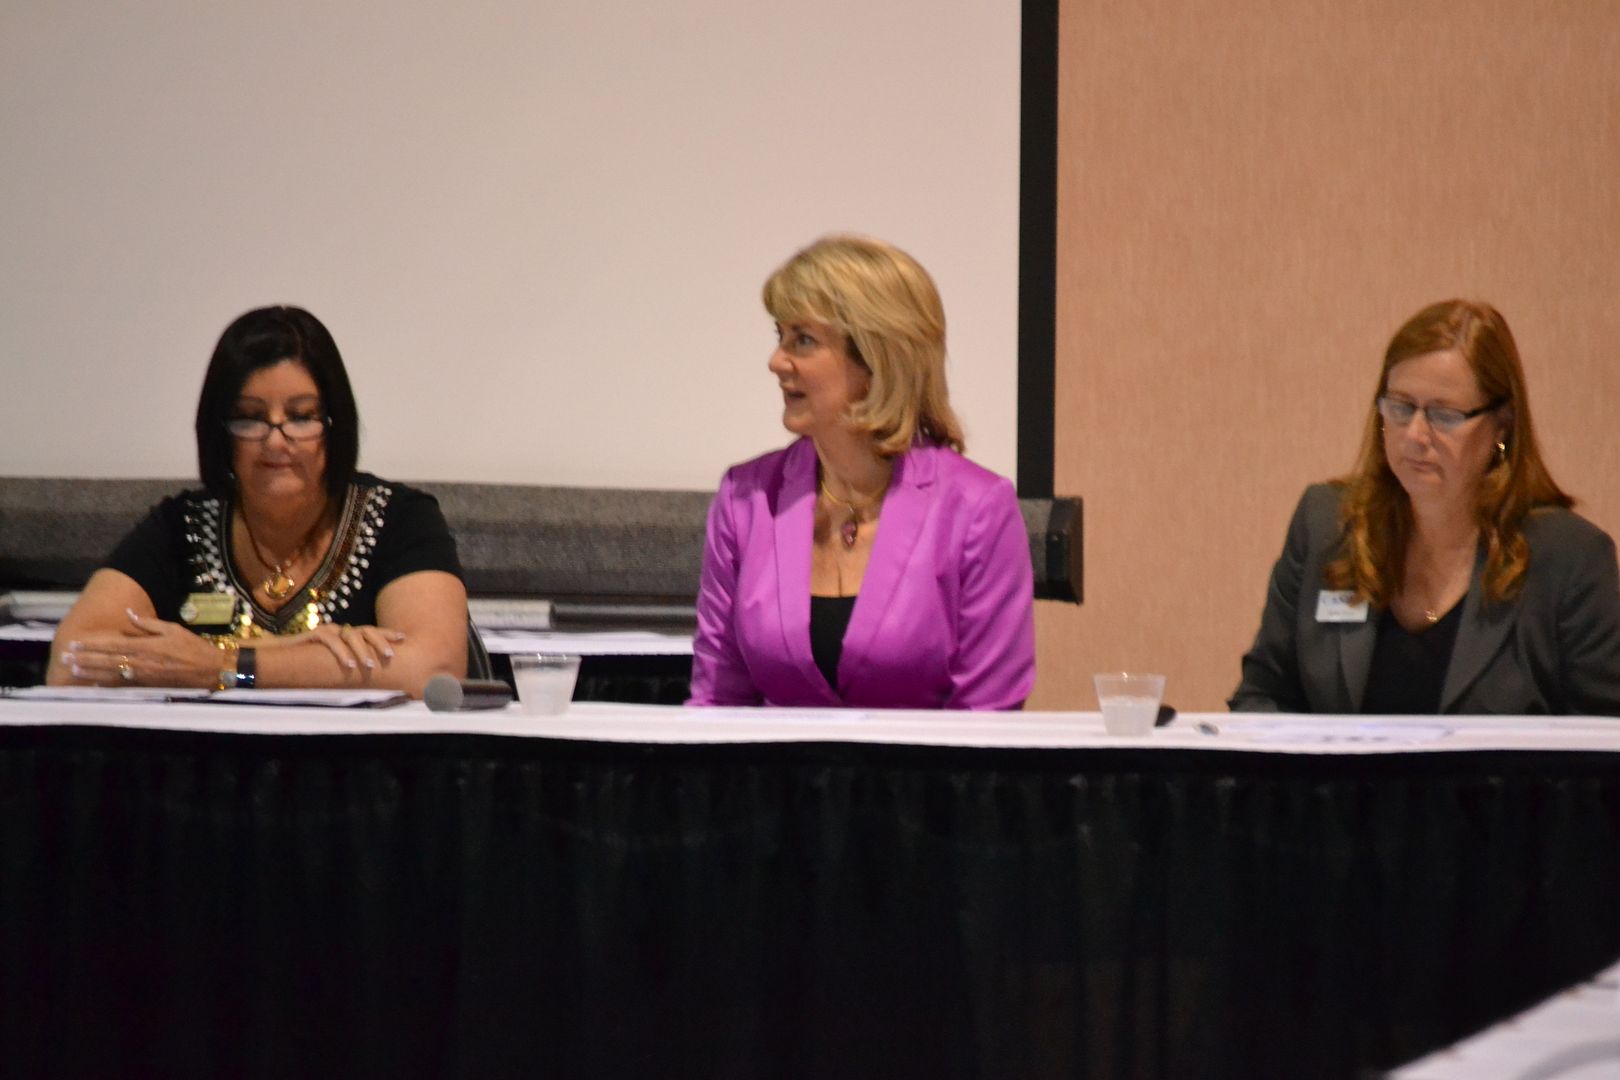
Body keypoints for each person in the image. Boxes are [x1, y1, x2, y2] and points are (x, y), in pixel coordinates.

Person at [49, 305, 470, 698]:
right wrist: (294, 653)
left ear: (335, 425)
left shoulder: (399, 520)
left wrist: (224, 666)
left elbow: (436, 670)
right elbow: (70, 662)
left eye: (301, 417)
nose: (275, 441)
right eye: (250, 418)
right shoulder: (182, 528)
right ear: (219, 431)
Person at [688, 235, 1035, 710]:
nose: (776, 361)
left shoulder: (977, 510)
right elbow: (716, 702)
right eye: (780, 336)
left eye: (803, 340)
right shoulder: (746, 498)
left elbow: (987, 719)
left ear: (876, 358)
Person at [1230, 299, 1620, 715]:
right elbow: (1263, 696)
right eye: (1401, 407)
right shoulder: (1326, 524)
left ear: (1502, 424)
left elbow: (1603, 736)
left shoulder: (1570, 560)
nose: (1415, 435)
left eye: (1443, 415)